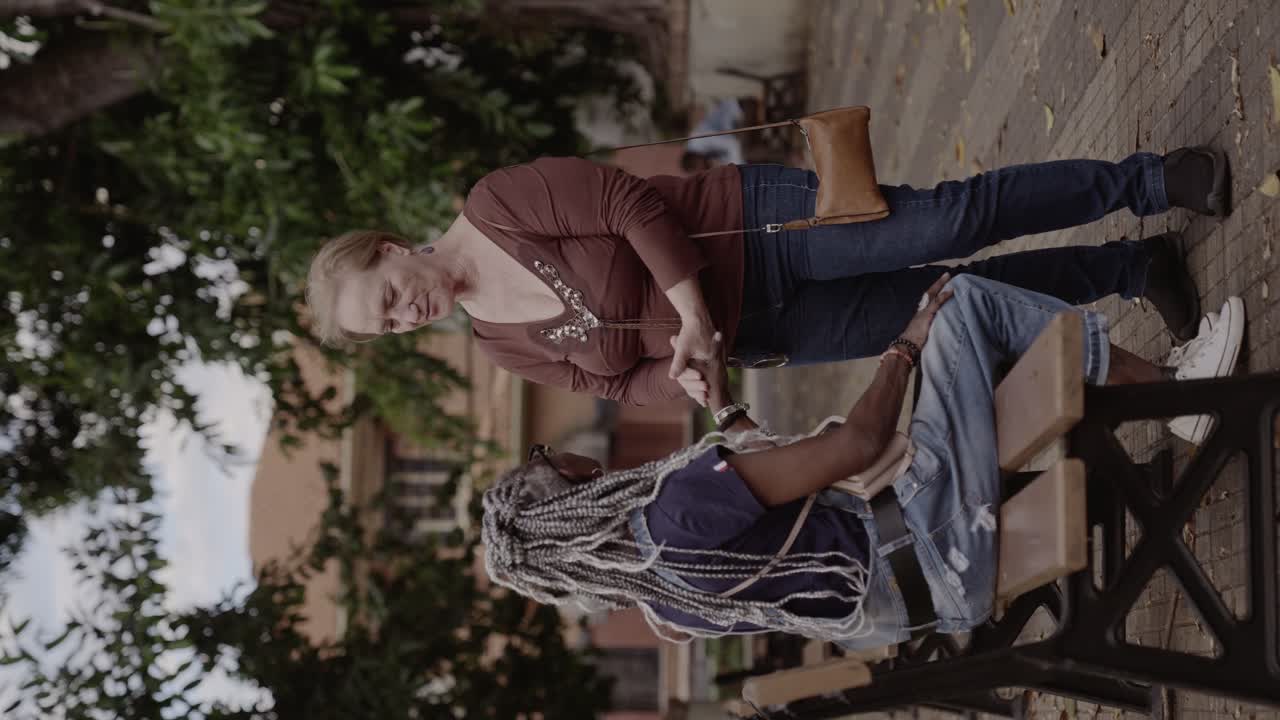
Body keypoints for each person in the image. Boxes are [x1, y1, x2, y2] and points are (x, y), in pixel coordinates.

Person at [480, 274, 1246, 647]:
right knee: (962, 303)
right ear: (570, 483)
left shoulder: (660, 605)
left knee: (962, 378)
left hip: (925, 599)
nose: (566, 448)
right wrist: (905, 345)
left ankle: (1142, 433)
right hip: (934, 541)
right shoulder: (672, 505)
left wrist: (726, 411)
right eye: (548, 455)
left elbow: (773, 506)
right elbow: (858, 447)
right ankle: (1178, 393)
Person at [306, 145, 1228, 407]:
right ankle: (1129, 266)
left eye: (389, 297)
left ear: (393, 248)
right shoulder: (501, 344)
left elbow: (631, 203)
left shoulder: (498, 204)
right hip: (777, 334)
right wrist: (688, 375)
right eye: (389, 328)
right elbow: (617, 383)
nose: (406, 314)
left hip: (763, 228)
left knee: (954, 218)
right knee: (959, 310)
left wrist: (688, 312)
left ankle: (1148, 182)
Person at [680, 97, 747, 172]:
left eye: (698, 169)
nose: (702, 170)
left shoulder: (698, 140)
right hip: (735, 124)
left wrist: (739, 170)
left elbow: (732, 144)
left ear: (694, 161)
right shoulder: (703, 152)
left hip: (737, 108)